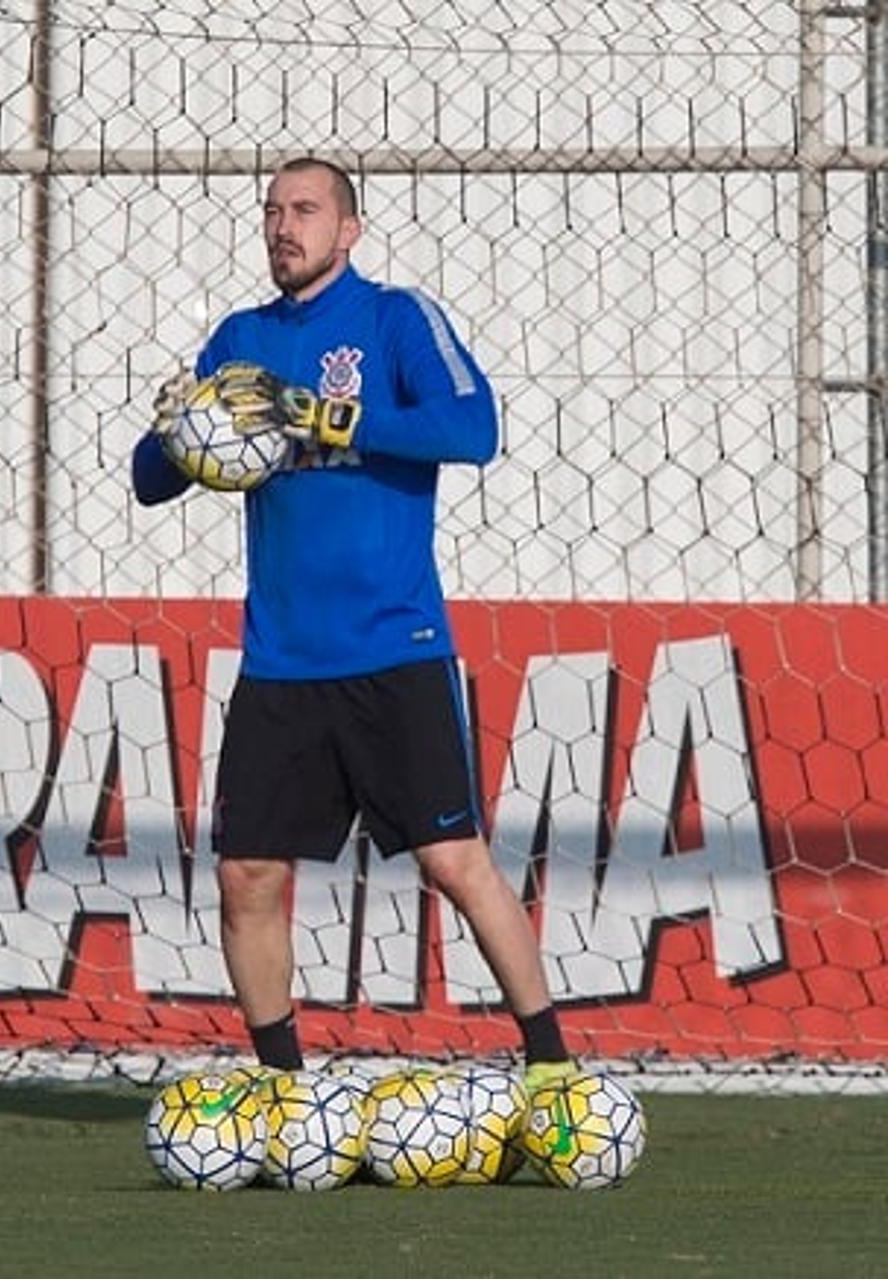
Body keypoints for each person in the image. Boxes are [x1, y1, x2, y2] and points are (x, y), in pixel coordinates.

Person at [132, 158, 575, 1092]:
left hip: (394, 647)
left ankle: (552, 1069)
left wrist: (322, 415)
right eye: (272, 212)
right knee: (247, 874)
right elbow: (149, 481)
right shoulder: (240, 341)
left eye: (304, 210)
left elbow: (471, 428)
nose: (283, 226)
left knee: (455, 860)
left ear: (350, 228)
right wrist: (179, 433)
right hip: (282, 661)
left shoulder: (394, 319)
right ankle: (283, 1090)